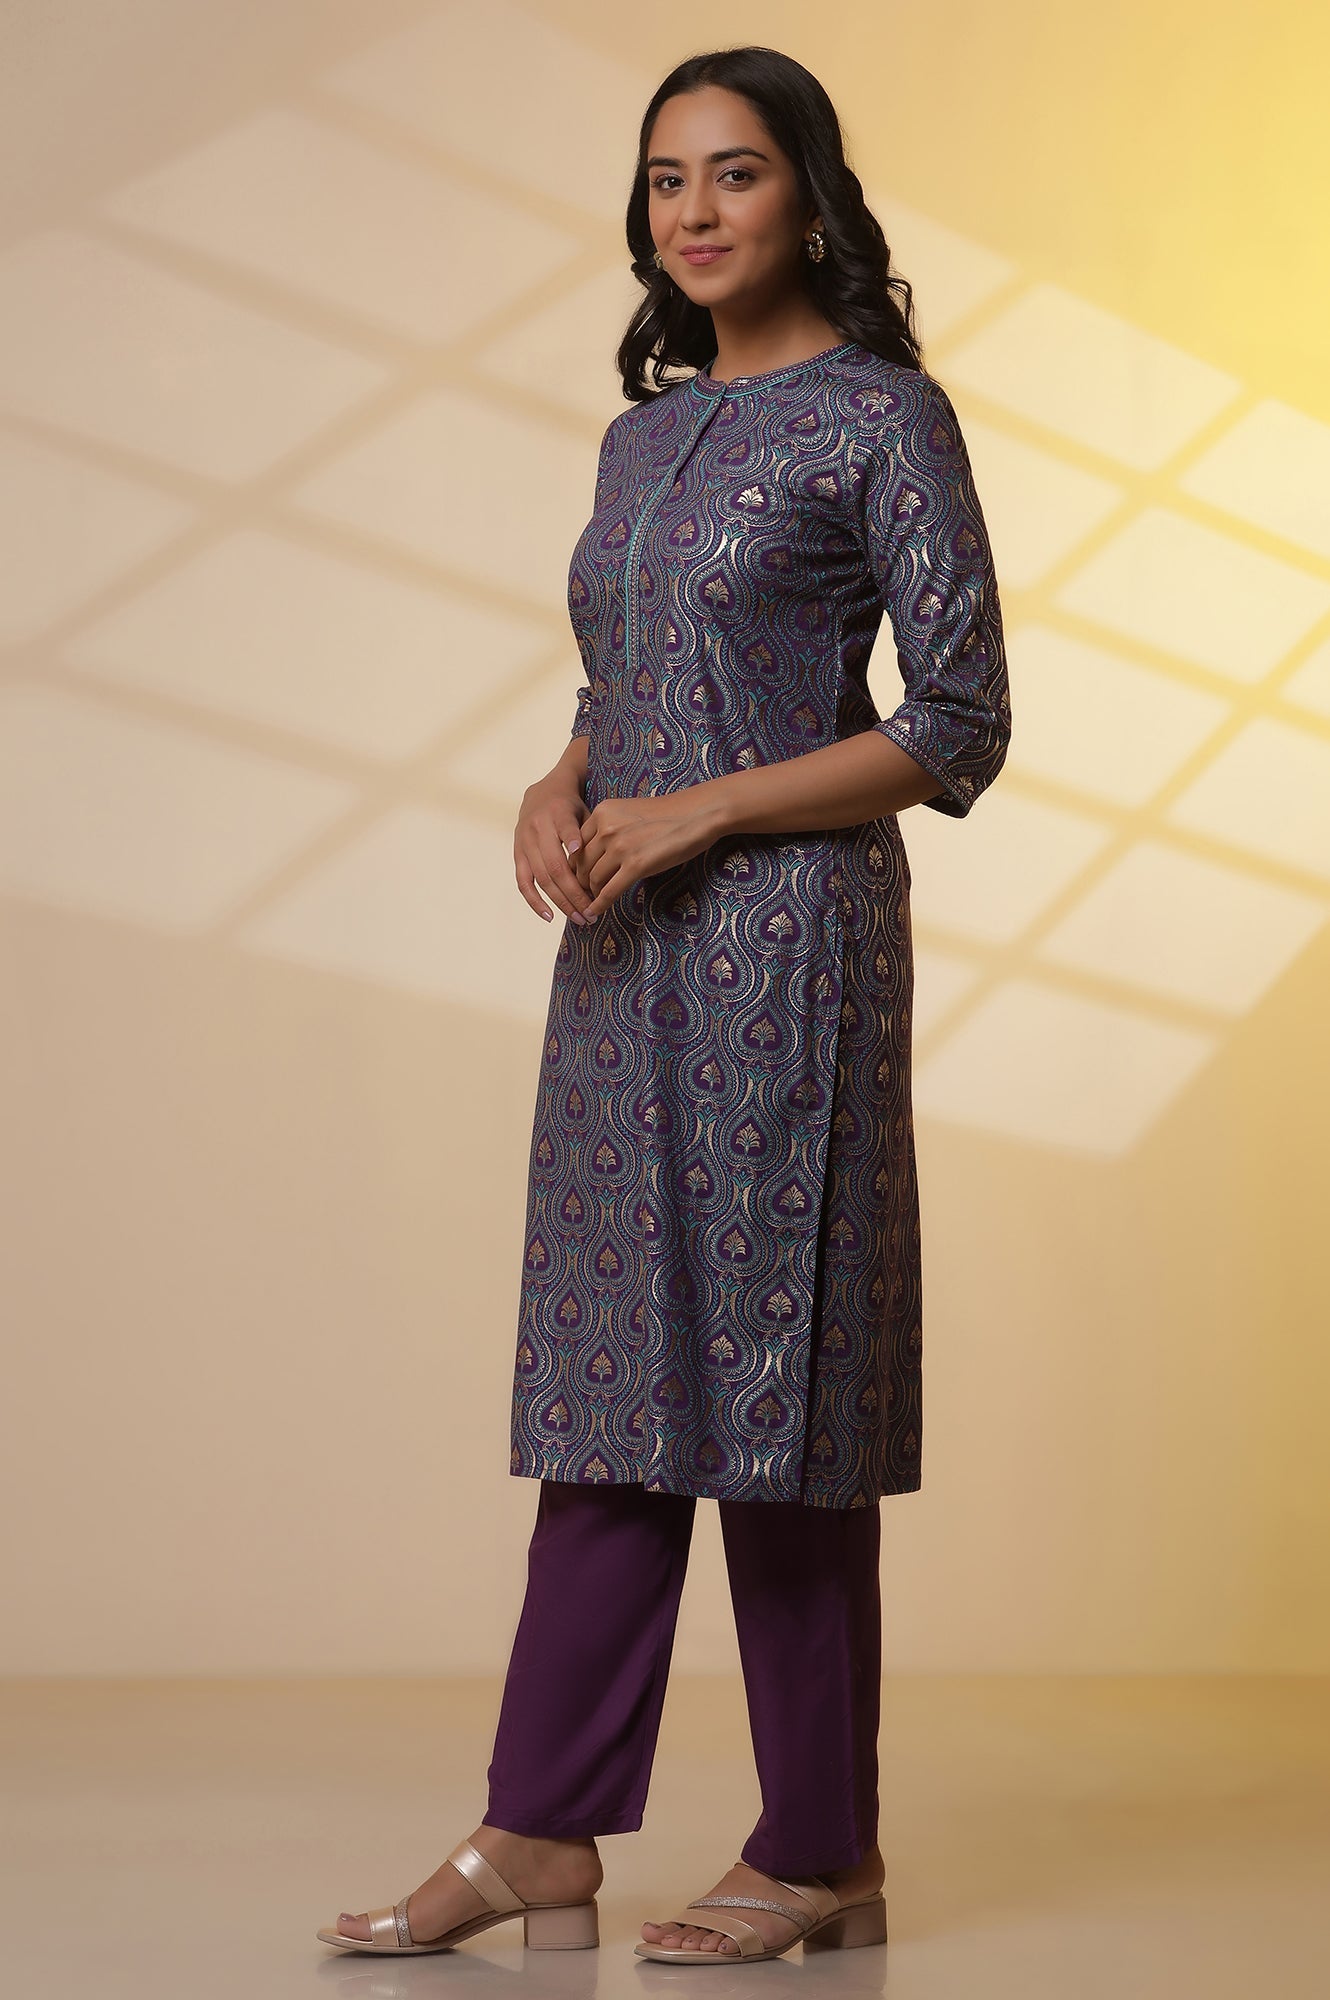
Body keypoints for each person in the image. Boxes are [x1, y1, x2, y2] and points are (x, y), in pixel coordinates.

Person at [319, 42, 1009, 1968]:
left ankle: (820, 1849)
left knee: (778, 1396)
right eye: (664, 180)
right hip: (624, 962)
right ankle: (537, 1829)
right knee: (608, 1386)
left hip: (791, 952)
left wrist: (705, 805)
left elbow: (958, 719)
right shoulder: (643, 437)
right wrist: (561, 777)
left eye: (734, 173)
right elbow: (625, 668)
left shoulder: (881, 416)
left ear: (808, 194)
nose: (693, 212)